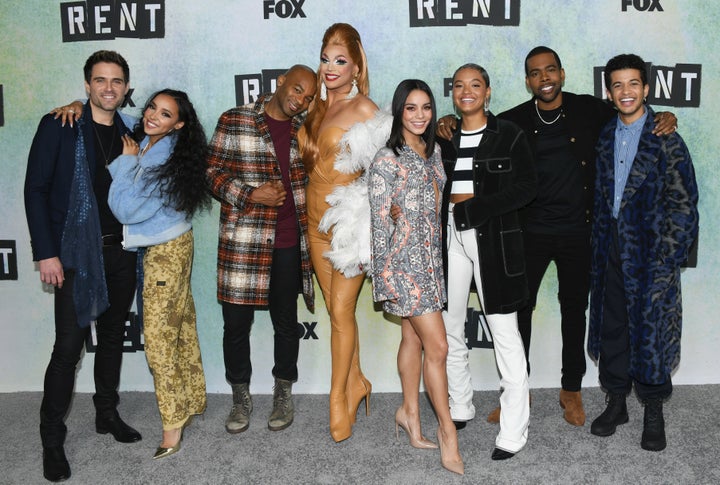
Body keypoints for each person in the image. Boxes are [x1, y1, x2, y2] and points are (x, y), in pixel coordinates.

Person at [438, 46, 677, 427]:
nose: (544, 78)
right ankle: (518, 392)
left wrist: (664, 115)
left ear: (562, 74)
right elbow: (476, 125)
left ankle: (572, 389)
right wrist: (448, 120)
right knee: (519, 313)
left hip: (579, 231)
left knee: (573, 311)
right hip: (528, 232)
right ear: (527, 80)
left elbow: (632, 113)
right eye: (535, 73)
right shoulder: (513, 120)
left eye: (550, 70)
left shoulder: (590, 109)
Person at [24, 50, 141, 482]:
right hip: (74, 254)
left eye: (116, 81)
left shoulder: (132, 134)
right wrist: (45, 252)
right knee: (68, 349)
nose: (108, 88)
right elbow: (35, 190)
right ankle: (51, 438)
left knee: (111, 338)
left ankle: (105, 414)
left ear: (126, 88)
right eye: (99, 80)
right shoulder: (61, 125)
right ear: (87, 84)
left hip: (121, 252)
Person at [587, 53, 698, 452]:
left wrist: (667, 259)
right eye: (617, 84)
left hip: (652, 253)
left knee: (650, 332)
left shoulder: (666, 138)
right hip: (610, 248)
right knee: (612, 325)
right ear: (609, 92)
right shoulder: (603, 135)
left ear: (646, 89)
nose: (626, 91)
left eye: (633, 83)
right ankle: (617, 402)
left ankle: (653, 408)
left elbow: (684, 205)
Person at [206, 65, 317, 435]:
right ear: (281, 81)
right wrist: (252, 194)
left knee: (286, 324)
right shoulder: (235, 119)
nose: (300, 99)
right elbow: (211, 173)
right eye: (297, 88)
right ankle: (240, 397)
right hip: (244, 242)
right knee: (236, 326)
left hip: (288, 242)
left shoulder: (307, 131)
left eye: (308, 96)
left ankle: (283, 393)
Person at [437, 63, 535, 460]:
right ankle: (460, 403)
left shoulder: (509, 135)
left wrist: (477, 210)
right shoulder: (445, 135)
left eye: (475, 84)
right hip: (449, 236)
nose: (466, 91)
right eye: (459, 85)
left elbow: (527, 187)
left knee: (504, 333)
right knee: (449, 324)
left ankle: (514, 430)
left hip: (491, 238)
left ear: (488, 92)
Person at [298, 23, 389, 443]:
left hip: (349, 230)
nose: (331, 67)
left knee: (339, 314)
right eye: (326, 58)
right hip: (315, 226)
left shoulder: (367, 110)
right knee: (340, 314)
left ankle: (337, 398)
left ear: (356, 67)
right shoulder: (314, 110)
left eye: (341, 61)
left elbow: (386, 171)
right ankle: (357, 382)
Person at [107, 89, 210, 459]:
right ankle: (193, 399)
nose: (152, 116)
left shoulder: (160, 156)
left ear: (178, 124)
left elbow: (126, 210)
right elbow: (117, 115)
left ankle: (172, 426)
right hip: (174, 244)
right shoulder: (160, 143)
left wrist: (124, 164)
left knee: (160, 341)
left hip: (165, 252)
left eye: (165, 114)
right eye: (152, 106)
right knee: (180, 326)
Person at [368, 79, 463, 474]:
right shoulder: (385, 159)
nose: (420, 115)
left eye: (426, 107)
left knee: (412, 337)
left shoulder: (436, 150)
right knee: (438, 347)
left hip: (431, 261)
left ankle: (409, 412)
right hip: (403, 266)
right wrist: (383, 278)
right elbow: (377, 223)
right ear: (399, 112)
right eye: (411, 108)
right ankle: (447, 432)